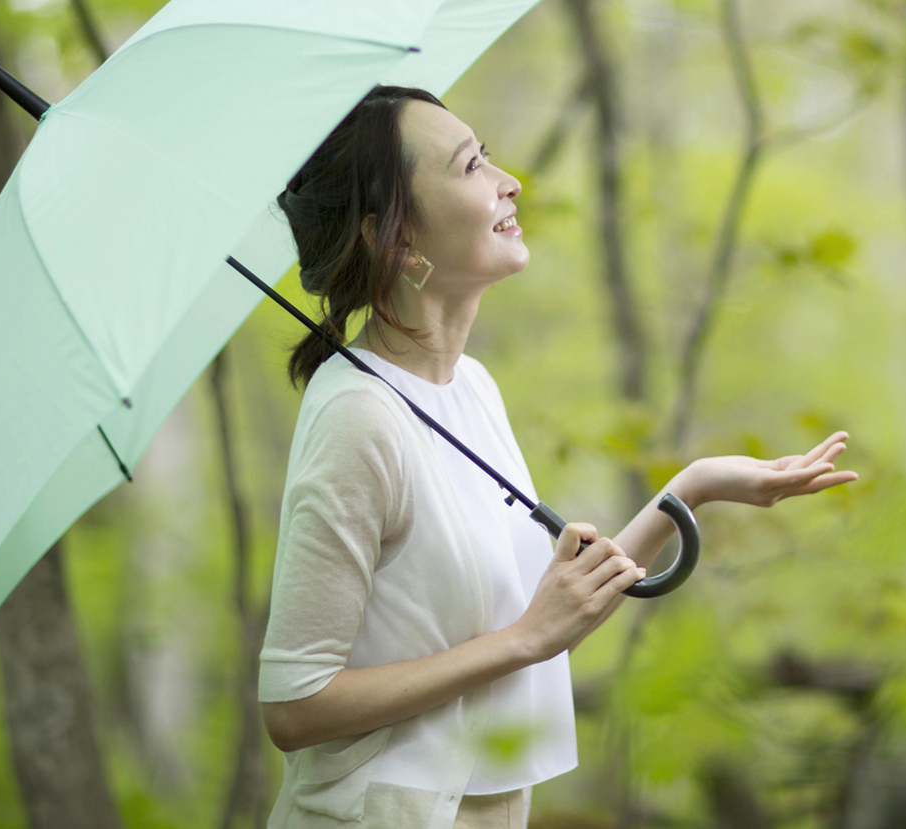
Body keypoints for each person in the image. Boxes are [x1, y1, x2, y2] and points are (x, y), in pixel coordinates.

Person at [257, 85, 858, 829]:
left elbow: (549, 617)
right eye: (471, 166)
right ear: (399, 238)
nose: (509, 180)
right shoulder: (358, 416)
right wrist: (523, 639)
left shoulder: (470, 388)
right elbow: (294, 703)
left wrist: (692, 489)